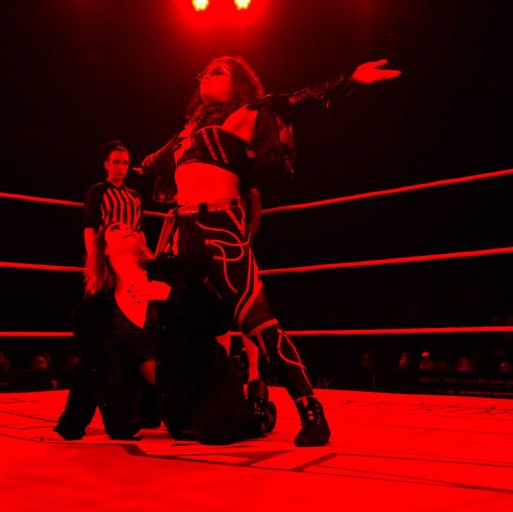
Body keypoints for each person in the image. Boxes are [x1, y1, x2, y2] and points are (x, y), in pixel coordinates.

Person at [140, 55, 400, 446]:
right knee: (174, 317)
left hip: (220, 231)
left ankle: (310, 409)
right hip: (183, 232)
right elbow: (158, 161)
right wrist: (145, 164)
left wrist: (350, 79)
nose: (205, 76)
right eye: (203, 72)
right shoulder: (188, 131)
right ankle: (179, 402)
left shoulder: (242, 115)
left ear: (237, 83)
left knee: (256, 320)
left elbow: (297, 100)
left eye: (217, 72)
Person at [54, 222, 276, 444]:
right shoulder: (97, 309)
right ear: (105, 249)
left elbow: (219, 320)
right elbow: (92, 367)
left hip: (208, 377)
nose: (127, 229)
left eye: (130, 227)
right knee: (188, 428)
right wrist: (69, 427)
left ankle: (260, 414)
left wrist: (171, 295)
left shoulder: (170, 272)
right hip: (172, 397)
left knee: (213, 430)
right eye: (116, 229)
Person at [83, 141, 145, 256]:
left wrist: (143, 255)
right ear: (107, 165)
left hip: (131, 254)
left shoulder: (135, 196)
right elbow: (90, 228)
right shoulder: (97, 191)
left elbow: (139, 230)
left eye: (125, 163)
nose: (121, 167)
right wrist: (93, 257)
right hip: (108, 253)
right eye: (116, 162)